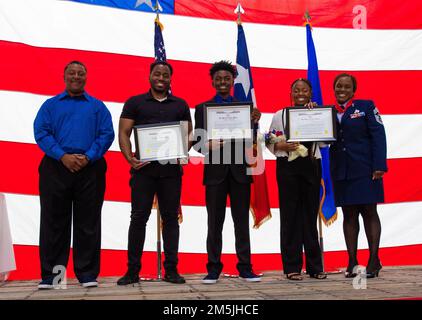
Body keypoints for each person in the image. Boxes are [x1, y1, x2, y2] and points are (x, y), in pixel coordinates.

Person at [33, 61, 115, 289]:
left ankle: (87, 274)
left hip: (91, 167)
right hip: (56, 166)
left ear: (86, 78)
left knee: (88, 222)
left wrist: (88, 156)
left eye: (81, 73)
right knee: (54, 222)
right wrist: (62, 156)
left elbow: (106, 134)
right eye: (72, 73)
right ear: (64, 76)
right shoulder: (50, 106)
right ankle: (53, 277)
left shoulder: (98, 107)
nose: (76, 76)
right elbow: (41, 132)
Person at [117, 60, 192, 285]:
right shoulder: (135, 102)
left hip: (171, 171)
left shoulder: (180, 104)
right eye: (157, 74)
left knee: (170, 219)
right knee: (139, 218)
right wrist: (129, 157)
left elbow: (189, 134)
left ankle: (171, 270)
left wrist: (182, 150)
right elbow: (123, 132)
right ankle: (132, 271)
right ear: (149, 76)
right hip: (143, 171)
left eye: (165, 75)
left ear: (171, 79)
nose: (161, 78)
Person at [193, 60, 261, 284]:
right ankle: (213, 269)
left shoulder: (245, 107)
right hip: (215, 172)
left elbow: (251, 139)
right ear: (212, 81)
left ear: (233, 81)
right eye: (219, 78)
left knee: (241, 221)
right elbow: (198, 142)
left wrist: (254, 123)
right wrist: (205, 146)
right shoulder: (203, 108)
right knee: (215, 222)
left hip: (240, 170)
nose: (223, 82)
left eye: (227, 78)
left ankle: (245, 267)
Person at [267, 78, 326, 281]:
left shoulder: (317, 111)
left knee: (310, 216)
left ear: (310, 93)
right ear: (291, 93)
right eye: (296, 90)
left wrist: (318, 116)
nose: (300, 93)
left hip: (311, 165)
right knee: (290, 216)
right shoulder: (279, 115)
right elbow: (268, 138)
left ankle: (315, 266)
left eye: (304, 90)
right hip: (287, 167)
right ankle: (291, 266)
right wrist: (280, 146)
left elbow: (327, 141)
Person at [330, 73, 387, 278]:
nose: (342, 89)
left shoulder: (366, 106)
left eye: (346, 86)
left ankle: (374, 260)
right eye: (338, 86)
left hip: (365, 169)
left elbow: (379, 135)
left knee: (369, 212)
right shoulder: (328, 111)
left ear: (353, 90)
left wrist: (379, 165)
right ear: (334, 89)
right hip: (342, 170)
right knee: (349, 215)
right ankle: (352, 261)